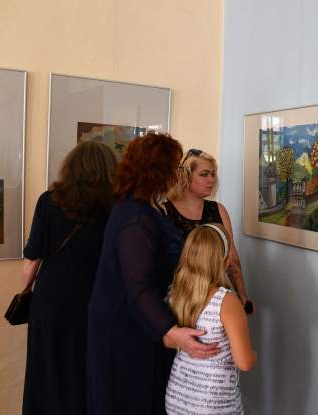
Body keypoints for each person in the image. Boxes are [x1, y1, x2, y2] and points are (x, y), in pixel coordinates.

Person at [87, 132, 219, 415]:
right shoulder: (136, 217)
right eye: (173, 166)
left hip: (136, 321)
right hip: (126, 329)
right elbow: (139, 287)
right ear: (158, 171)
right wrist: (171, 332)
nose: (177, 173)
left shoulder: (142, 207)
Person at [22, 141, 117, 415]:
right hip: (94, 300)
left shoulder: (49, 200)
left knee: (46, 373)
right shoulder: (115, 206)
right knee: (85, 372)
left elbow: (32, 259)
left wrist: (26, 290)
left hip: (49, 300)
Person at [165, 224, 256, 415]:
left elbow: (168, 340)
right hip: (213, 404)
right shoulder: (226, 301)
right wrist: (253, 354)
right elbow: (244, 362)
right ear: (224, 262)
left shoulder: (175, 293)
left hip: (177, 397)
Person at [162, 149, 254, 312]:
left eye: (213, 174)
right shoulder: (164, 211)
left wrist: (242, 296)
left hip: (212, 300)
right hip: (175, 300)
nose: (211, 179)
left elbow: (232, 259)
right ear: (185, 176)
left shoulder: (218, 210)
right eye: (204, 174)